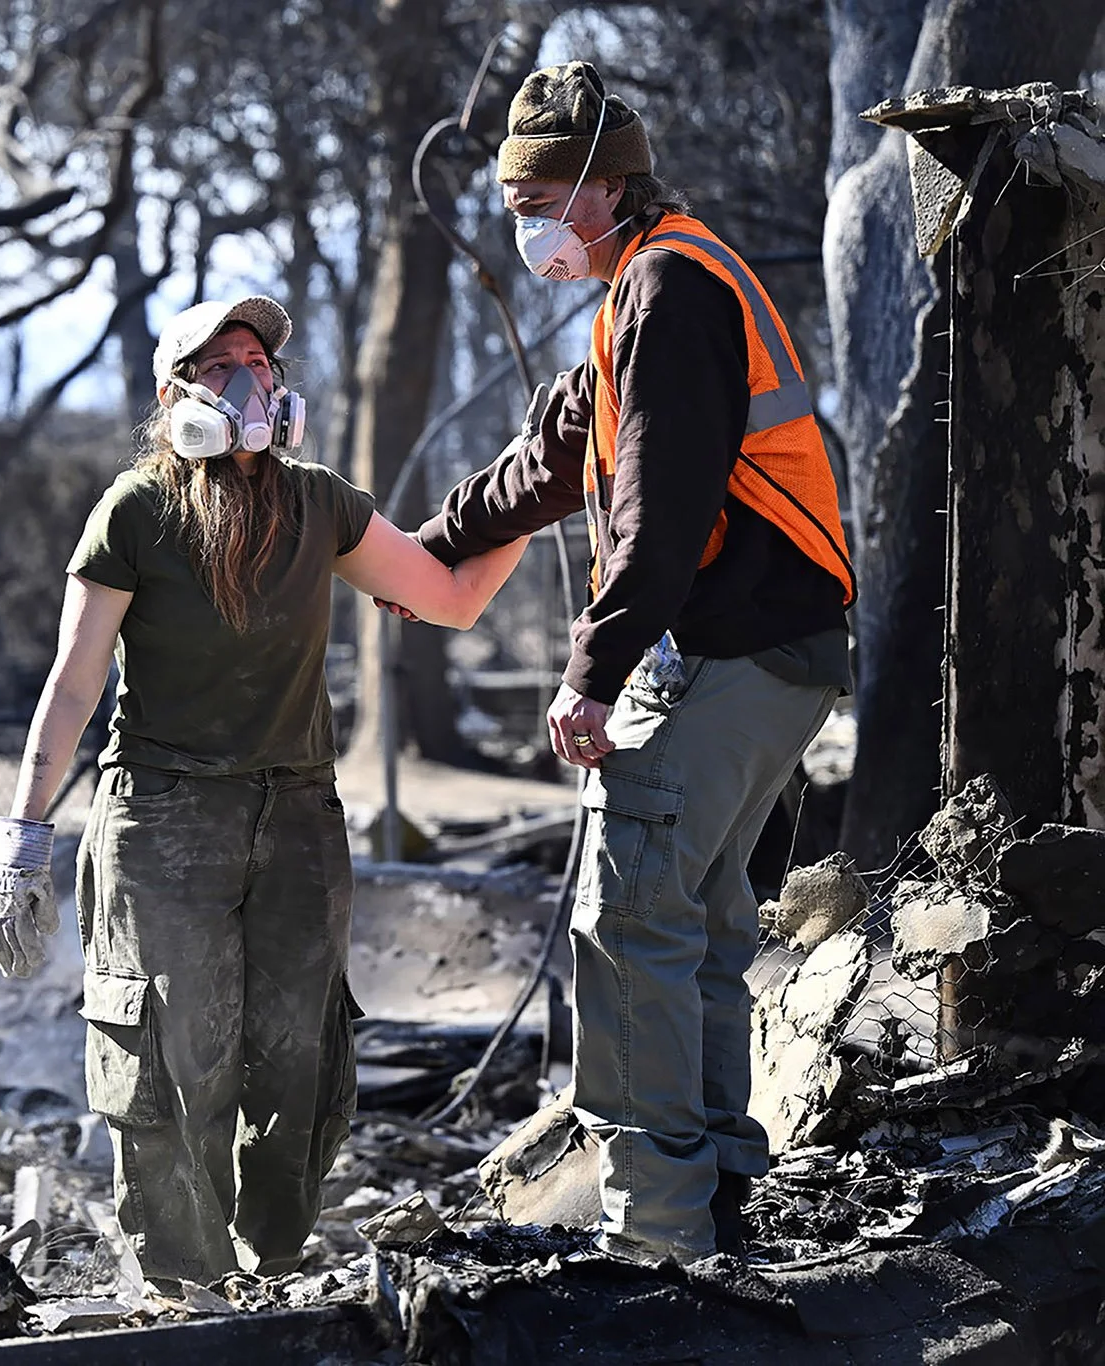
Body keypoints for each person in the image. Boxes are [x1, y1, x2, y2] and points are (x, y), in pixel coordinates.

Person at [403, 62, 856, 1264]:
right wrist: (410, 558)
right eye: (512, 204)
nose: (525, 225)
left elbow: (656, 518)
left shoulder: (667, 286)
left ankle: (654, 1241)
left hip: (725, 647)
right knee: (698, 923)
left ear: (605, 187)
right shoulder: (638, 297)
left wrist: (587, 675)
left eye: (536, 200)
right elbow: (550, 464)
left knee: (625, 925)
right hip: (774, 652)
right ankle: (713, 1209)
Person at [0, 294, 527, 1285]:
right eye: (222, 363)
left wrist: (543, 493)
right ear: (177, 393)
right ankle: (177, 1286)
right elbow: (71, 682)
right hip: (162, 817)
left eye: (260, 362)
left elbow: (446, 596)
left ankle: (272, 1271)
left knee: (295, 1059)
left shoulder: (318, 501)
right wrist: (22, 839)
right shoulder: (135, 511)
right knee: (168, 1055)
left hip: (295, 815)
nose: (250, 379)